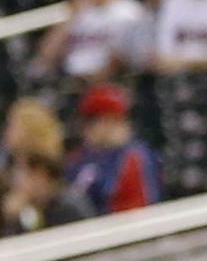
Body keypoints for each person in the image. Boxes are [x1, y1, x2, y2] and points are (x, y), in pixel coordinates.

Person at [65, 85, 161, 214]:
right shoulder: (77, 158)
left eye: (116, 120)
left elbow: (137, 208)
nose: (112, 127)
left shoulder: (133, 156)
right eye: (103, 121)